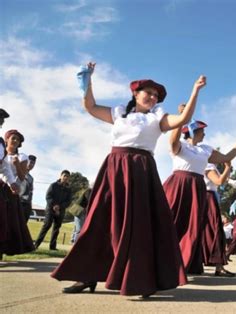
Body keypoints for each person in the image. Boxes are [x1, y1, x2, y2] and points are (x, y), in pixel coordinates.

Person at [52, 62, 204, 297]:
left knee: (140, 225)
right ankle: (86, 276)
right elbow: (90, 107)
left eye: (156, 95)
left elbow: (183, 118)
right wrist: (87, 81)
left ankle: (142, 279)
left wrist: (195, 91)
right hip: (114, 167)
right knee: (99, 220)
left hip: (141, 171)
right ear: (136, 93)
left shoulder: (157, 118)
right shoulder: (119, 112)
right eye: (149, 93)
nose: (153, 97)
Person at [164, 116, 236, 275]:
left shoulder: (205, 150)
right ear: (192, 132)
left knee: (192, 228)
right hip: (178, 185)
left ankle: (182, 265)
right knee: (170, 223)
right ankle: (160, 261)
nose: (204, 134)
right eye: (202, 131)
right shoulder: (180, 146)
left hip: (197, 188)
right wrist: (182, 119)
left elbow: (226, 157)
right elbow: (172, 141)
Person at [0, 111, 28, 260]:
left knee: (8, 222)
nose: (16, 141)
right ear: (7, 139)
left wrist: (17, 165)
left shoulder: (22, 157)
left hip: (11, 191)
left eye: (18, 139)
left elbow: (23, 176)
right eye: (13, 138)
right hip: (1, 186)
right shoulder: (2, 152)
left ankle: (5, 249)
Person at [202, 161, 235, 276]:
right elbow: (219, 181)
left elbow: (223, 180)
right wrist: (228, 166)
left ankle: (216, 266)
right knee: (215, 232)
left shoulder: (209, 166)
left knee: (207, 232)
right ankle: (218, 267)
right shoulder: (208, 166)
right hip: (208, 197)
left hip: (209, 197)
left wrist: (227, 169)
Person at [34, 170, 72, 250]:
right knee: (46, 225)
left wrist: (60, 207)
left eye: (67, 176)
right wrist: (54, 206)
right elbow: (48, 196)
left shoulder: (69, 189)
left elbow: (68, 201)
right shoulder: (53, 185)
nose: (65, 177)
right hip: (50, 209)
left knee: (56, 228)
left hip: (61, 211)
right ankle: (36, 244)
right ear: (60, 176)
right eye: (64, 175)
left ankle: (52, 247)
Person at [19, 155, 36, 221]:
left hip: (27, 204)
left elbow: (30, 191)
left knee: (24, 225)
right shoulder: (17, 172)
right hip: (18, 202)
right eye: (30, 162)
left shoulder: (31, 178)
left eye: (33, 163)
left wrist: (30, 204)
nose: (31, 164)